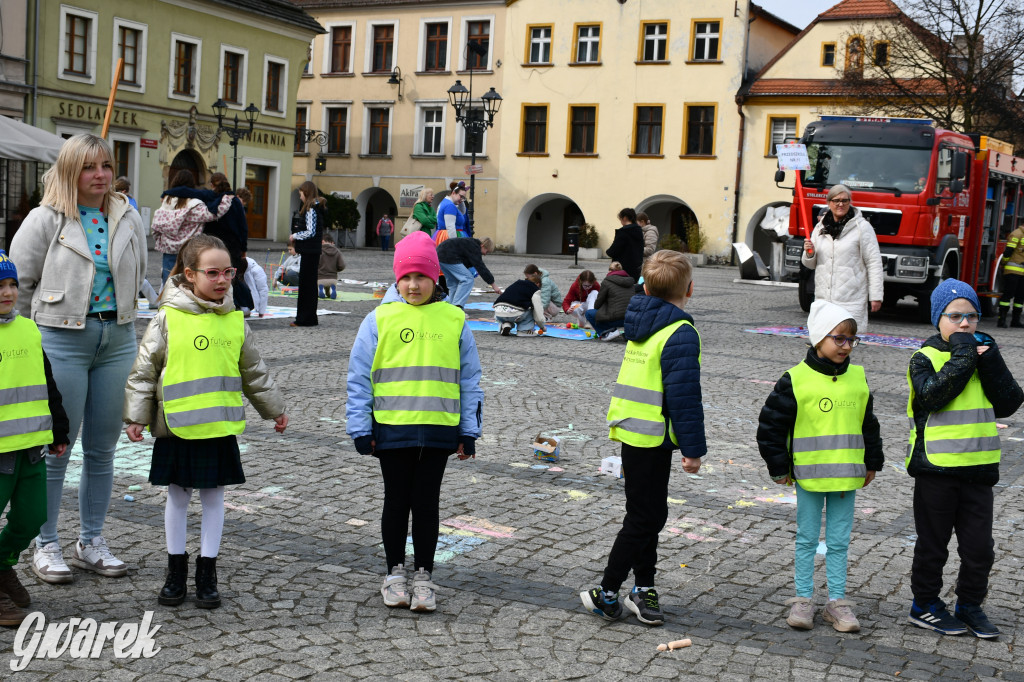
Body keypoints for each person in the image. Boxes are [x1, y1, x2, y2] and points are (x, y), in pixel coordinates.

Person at [9, 133, 147, 584]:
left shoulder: (127, 215)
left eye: (106, 165)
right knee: (56, 448)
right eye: (90, 167)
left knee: (104, 450)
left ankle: (91, 540)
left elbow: (141, 271)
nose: (101, 175)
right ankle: (45, 543)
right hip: (61, 340)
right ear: (71, 170)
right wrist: (33, 336)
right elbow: (19, 284)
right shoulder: (45, 219)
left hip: (118, 338)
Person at [124, 235, 287, 609]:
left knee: (215, 498)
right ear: (189, 275)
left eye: (228, 272)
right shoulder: (168, 318)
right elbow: (144, 370)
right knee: (177, 496)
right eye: (212, 272)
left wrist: (274, 408)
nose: (222, 280)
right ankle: (175, 570)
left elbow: (254, 372)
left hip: (219, 424)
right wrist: (136, 415)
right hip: (178, 425)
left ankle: (207, 570)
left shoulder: (234, 321)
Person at [345, 231, 484, 612]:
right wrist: (360, 426)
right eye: (405, 277)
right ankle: (394, 572)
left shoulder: (454, 319)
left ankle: (424, 575)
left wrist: (468, 430)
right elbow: (359, 377)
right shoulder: (379, 319)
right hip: (392, 428)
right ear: (396, 279)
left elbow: (469, 378)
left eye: (421, 276)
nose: (413, 284)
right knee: (396, 501)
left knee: (426, 504)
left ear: (436, 278)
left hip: (439, 429)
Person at [580, 250, 705, 626]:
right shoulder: (679, 332)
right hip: (651, 436)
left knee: (647, 513)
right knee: (645, 517)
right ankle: (606, 590)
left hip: (634, 430)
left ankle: (644, 588)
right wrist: (693, 449)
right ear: (690, 289)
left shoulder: (639, 320)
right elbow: (685, 397)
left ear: (645, 287)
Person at [905, 279, 1022, 638]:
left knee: (979, 550)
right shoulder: (924, 357)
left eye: (971, 316)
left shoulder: (984, 353)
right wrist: (963, 354)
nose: (965, 324)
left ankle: (969, 605)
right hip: (936, 469)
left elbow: (1008, 402)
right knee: (933, 545)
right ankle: (924, 604)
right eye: (954, 317)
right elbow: (933, 397)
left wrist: (990, 362)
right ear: (937, 320)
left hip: (978, 469)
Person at [757, 300, 883, 633]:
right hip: (808, 476)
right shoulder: (795, 380)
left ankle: (837, 602)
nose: (845, 345)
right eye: (838, 338)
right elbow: (772, 426)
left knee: (839, 541)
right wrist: (779, 466)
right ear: (818, 339)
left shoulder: (858, 378)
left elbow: (868, 424)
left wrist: (872, 461)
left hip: (845, 477)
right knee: (807, 538)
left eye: (850, 339)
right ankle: (803, 599)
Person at [0, 251, 69, 626]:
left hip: (31, 447)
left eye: (12, 284)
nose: (7, 293)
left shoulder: (28, 328)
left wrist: (58, 428)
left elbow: (46, 382)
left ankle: (1, 564)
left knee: (32, 517)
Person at [801, 184, 883, 330]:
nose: (840, 204)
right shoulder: (820, 228)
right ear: (828, 203)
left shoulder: (862, 228)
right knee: (823, 341)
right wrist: (809, 253)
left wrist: (876, 296)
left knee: (844, 342)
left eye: (845, 200)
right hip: (824, 298)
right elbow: (810, 264)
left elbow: (874, 262)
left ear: (849, 202)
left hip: (850, 299)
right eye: (836, 200)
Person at [152, 170, 232, 283]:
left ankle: (169, 300)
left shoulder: (167, 201)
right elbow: (213, 215)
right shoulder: (194, 204)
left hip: (169, 248)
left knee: (168, 281)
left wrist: (159, 239)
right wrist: (226, 199)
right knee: (187, 282)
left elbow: (156, 227)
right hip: (188, 248)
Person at [203, 173, 253, 312]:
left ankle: (224, 304)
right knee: (231, 276)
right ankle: (239, 304)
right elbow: (243, 227)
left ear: (212, 185)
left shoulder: (210, 200)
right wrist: (243, 248)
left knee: (215, 276)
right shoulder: (234, 201)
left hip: (214, 245)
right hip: (232, 245)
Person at [290, 181, 325, 327]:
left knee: (306, 286)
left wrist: (295, 236)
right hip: (313, 251)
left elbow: (310, 231)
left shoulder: (311, 209)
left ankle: (304, 318)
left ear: (306, 192)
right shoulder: (316, 207)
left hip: (310, 250)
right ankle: (309, 318)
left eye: (300, 194)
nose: (300, 197)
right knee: (309, 286)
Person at [436, 236, 501, 308]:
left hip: (439, 256)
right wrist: (494, 285)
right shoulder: (475, 248)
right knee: (468, 279)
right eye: (487, 251)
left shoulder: (469, 243)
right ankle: (457, 307)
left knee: (454, 284)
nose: (485, 254)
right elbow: (481, 267)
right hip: (449, 257)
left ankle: (451, 308)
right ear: (482, 245)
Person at [586, 261, 634, 341]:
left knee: (589, 313)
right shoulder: (630, 282)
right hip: (629, 318)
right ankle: (627, 332)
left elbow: (597, 304)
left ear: (610, 271)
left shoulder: (607, 282)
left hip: (615, 318)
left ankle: (606, 333)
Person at [493, 269, 547, 336]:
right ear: (538, 284)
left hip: (498, 312)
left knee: (507, 312)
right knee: (532, 308)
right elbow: (538, 311)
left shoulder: (517, 283)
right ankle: (524, 330)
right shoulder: (535, 289)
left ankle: (506, 324)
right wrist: (542, 327)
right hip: (514, 313)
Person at [606, 208, 645, 283]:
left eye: (620, 218)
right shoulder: (639, 231)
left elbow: (613, 251)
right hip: (636, 268)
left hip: (622, 269)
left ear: (624, 218)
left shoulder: (623, 232)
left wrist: (608, 252)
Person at [997, 222, 1024, 327]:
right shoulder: (1016, 234)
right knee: (1007, 296)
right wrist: (1003, 262)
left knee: (1020, 298)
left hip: (1022, 272)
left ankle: (1015, 321)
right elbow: (1008, 251)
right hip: (1012, 271)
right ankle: (1001, 320)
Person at [318, 233, 346, 299]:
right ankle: (330, 291)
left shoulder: (319, 251)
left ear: (322, 241)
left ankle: (320, 290)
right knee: (331, 287)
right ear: (331, 242)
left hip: (320, 278)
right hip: (333, 278)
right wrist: (335, 269)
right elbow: (342, 265)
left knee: (317, 288)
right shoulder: (337, 251)